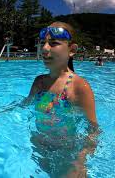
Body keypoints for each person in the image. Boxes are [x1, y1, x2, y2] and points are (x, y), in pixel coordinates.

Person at [23, 22, 99, 177]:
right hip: (39, 147)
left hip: (67, 154)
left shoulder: (78, 87)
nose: (44, 48)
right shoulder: (39, 82)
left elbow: (94, 130)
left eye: (53, 43)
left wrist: (80, 160)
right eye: (43, 43)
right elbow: (25, 104)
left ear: (72, 50)